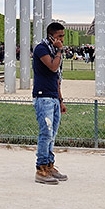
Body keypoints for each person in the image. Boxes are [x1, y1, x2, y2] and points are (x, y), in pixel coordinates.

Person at [32, 22, 68, 185]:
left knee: (52, 135)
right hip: (43, 96)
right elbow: (53, 67)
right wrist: (59, 51)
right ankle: (41, 169)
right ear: (51, 36)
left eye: (63, 36)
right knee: (45, 133)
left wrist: (60, 100)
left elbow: (57, 78)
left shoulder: (53, 51)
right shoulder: (41, 49)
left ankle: (49, 165)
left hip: (53, 96)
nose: (62, 39)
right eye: (59, 36)